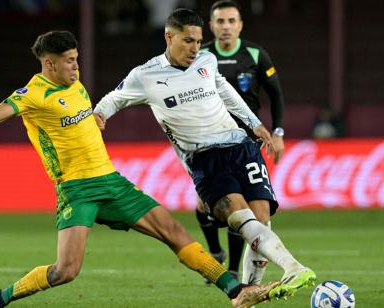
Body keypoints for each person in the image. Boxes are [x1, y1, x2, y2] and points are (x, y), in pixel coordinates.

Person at [0, 30, 278, 308]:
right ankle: (0, 297)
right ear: (49, 63)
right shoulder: (34, 94)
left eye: (76, 58)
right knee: (65, 271)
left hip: (111, 181)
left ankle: (237, 291)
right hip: (77, 189)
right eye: (69, 60)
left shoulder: (75, 84)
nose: (76, 65)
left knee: (174, 232)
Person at [94, 9, 316, 302]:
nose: (195, 48)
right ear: (168, 37)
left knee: (261, 217)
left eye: (199, 41)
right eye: (188, 41)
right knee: (240, 217)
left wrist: (255, 124)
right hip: (204, 159)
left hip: (240, 146)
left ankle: (251, 292)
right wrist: (97, 117)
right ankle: (293, 267)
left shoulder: (207, 61)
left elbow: (225, 90)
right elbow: (110, 101)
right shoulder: (145, 76)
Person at [196, 0, 286, 284]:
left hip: (247, 142)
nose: (226, 27)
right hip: (210, 141)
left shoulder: (256, 54)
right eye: (220, 21)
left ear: (240, 25)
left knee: (244, 209)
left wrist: (279, 132)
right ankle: (215, 252)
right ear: (211, 26)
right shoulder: (200, 55)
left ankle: (234, 269)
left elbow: (276, 95)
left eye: (231, 21)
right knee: (202, 206)